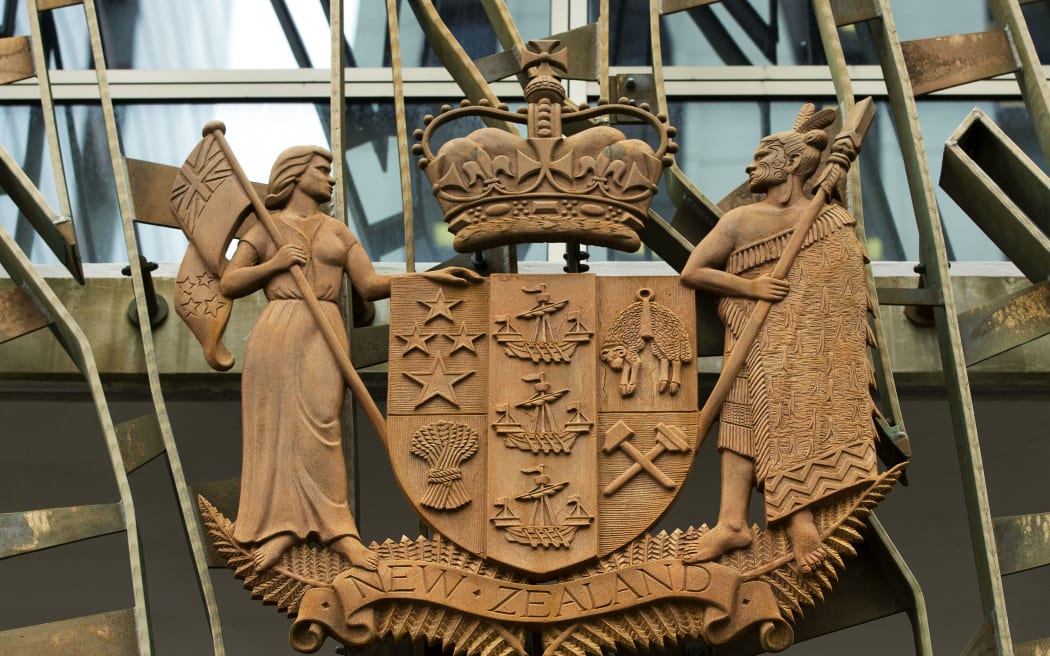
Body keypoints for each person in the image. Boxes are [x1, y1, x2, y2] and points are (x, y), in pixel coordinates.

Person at [220, 145, 479, 571]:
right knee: (277, 427)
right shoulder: (266, 228)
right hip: (278, 331)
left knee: (323, 424)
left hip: (324, 327)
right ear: (295, 174)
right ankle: (278, 527)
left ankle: (340, 532)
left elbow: (371, 285)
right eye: (322, 170)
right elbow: (230, 282)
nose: (331, 178)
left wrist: (430, 278)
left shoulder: (336, 231)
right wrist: (276, 264)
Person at [680, 105, 878, 573]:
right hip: (752, 332)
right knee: (741, 420)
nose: (751, 166)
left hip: (802, 343)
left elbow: (837, 261)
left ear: (790, 164)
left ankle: (795, 515)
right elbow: (694, 271)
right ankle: (733, 521)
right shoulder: (740, 222)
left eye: (762, 155)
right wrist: (751, 287)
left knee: (791, 415)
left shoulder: (822, 216)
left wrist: (840, 169)